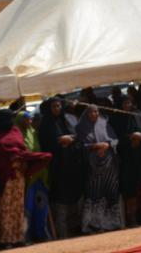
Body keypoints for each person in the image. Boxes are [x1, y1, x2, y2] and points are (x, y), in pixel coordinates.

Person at [0, 109, 51, 249]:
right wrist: (9, 159)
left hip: (19, 175)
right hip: (4, 176)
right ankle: (5, 239)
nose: (10, 121)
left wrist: (23, 159)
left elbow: (22, 149)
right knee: (5, 208)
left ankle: (18, 237)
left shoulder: (15, 130)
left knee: (18, 207)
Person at [35, 100, 83, 240]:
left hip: (70, 168)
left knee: (74, 201)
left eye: (59, 105)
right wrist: (59, 141)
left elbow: (77, 136)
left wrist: (70, 139)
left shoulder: (65, 120)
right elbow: (46, 144)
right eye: (55, 106)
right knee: (60, 203)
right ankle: (62, 235)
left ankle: (76, 231)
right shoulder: (46, 125)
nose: (58, 108)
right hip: (56, 169)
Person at [74, 106, 122, 234]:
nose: (93, 114)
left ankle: (111, 223)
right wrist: (95, 146)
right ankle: (92, 225)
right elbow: (79, 145)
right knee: (94, 193)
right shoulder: (81, 127)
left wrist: (107, 145)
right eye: (90, 112)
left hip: (109, 165)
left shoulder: (104, 123)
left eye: (96, 111)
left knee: (110, 191)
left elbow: (115, 139)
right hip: (93, 166)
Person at [109, 93, 141, 226]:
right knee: (131, 190)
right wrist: (130, 140)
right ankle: (132, 219)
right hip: (127, 161)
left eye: (129, 103)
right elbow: (114, 138)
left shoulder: (139, 115)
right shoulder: (115, 120)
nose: (127, 106)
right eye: (124, 103)